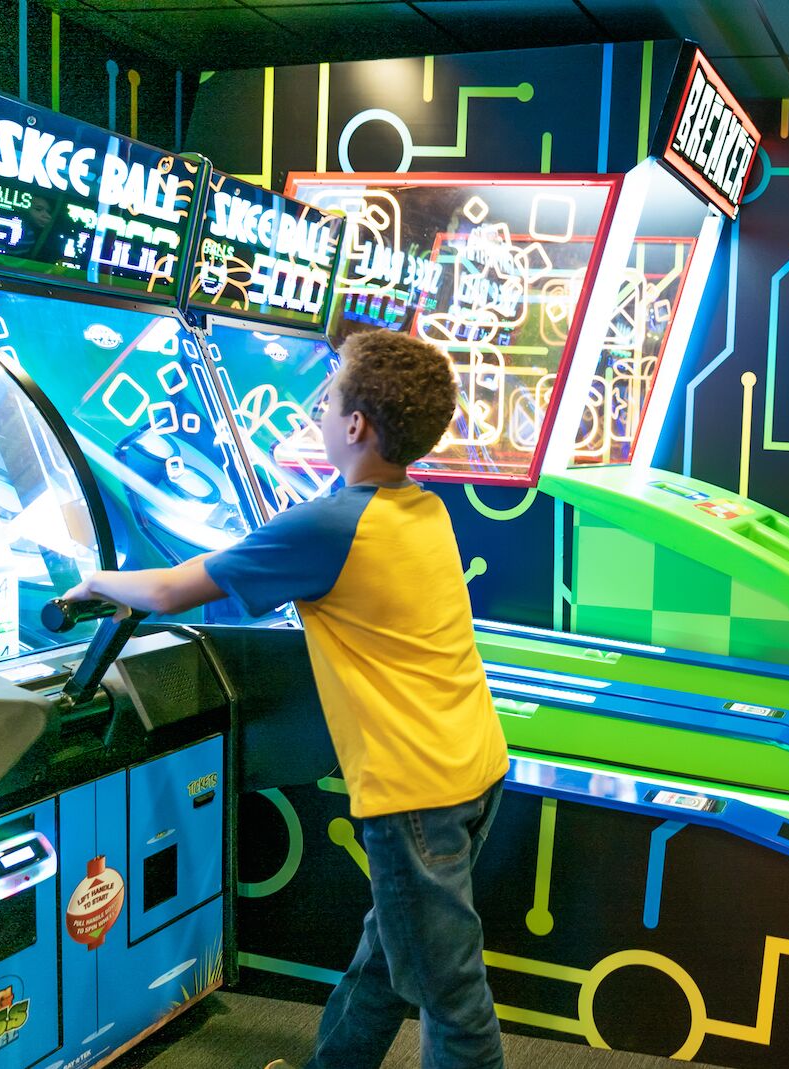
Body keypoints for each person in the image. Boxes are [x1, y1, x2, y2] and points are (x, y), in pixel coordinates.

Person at [61, 330, 510, 1069]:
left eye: (328, 399)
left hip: (414, 792)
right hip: (473, 765)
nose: (321, 410)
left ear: (357, 425)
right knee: (392, 954)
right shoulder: (416, 504)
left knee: (450, 996)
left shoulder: (330, 524)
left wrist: (96, 582)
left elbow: (174, 588)